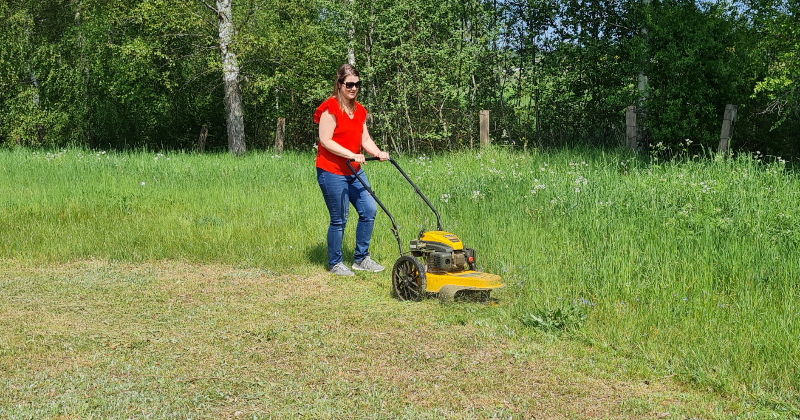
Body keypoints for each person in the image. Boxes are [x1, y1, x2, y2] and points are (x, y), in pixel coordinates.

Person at [314, 63, 389, 276]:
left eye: (357, 84)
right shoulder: (330, 107)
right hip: (331, 171)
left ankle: (361, 258)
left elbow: (365, 139)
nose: (353, 88)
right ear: (339, 84)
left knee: (369, 210)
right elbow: (325, 140)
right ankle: (335, 263)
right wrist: (351, 154)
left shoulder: (359, 110)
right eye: (349, 84)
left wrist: (378, 152)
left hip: (354, 171)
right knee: (339, 218)